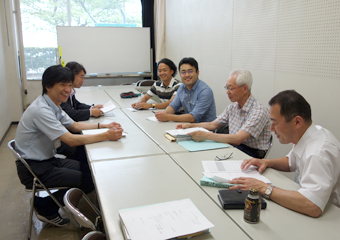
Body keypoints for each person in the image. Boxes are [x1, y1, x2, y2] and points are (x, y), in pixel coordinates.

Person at [15, 65, 123, 227]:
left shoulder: (53, 104)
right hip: (34, 168)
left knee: (90, 170)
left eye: (69, 85)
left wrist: (103, 126)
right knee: (90, 180)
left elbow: (75, 126)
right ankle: (45, 207)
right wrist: (106, 136)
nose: (67, 89)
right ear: (48, 86)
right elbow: (70, 139)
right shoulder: (41, 110)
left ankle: (52, 203)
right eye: (62, 85)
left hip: (47, 159)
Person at [229, 90, 340, 217]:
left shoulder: (318, 152)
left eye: (275, 123)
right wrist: (266, 162)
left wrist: (264, 188)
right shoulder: (312, 133)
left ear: (297, 122)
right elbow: (291, 161)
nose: (271, 129)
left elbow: (312, 205)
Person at [176, 70, 271, 158]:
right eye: (227, 87)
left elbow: (238, 139)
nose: (227, 92)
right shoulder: (233, 106)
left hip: (251, 153)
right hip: (234, 146)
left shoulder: (258, 111)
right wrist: (190, 126)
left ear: (245, 88)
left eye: (231, 88)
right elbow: (212, 124)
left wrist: (206, 135)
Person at [155, 57, 216, 123]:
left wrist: (168, 117)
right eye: (183, 72)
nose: (187, 75)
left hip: (206, 130)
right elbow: (173, 106)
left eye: (190, 71)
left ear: (197, 72)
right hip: (189, 127)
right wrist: (163, 114)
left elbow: (193, 117)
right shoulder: (182, 87)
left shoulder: (205, 91)